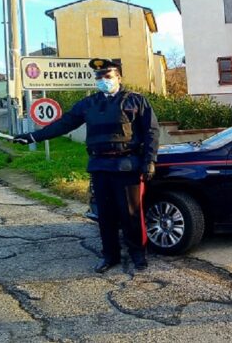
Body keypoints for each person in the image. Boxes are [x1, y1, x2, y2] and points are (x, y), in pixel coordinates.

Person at [13, 58, 159, 274]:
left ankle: (138, 255)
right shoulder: (88, 104)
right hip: (100, 166)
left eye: (107, 76)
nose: (102, 81)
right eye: (98, 77)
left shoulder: (135, 101)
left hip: (126, 166)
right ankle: (110, 256)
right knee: (105, 216)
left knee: (131, 215)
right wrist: (33, 136)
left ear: (118, 77)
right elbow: (64, 124)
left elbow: (151, 132)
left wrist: (149, 161)